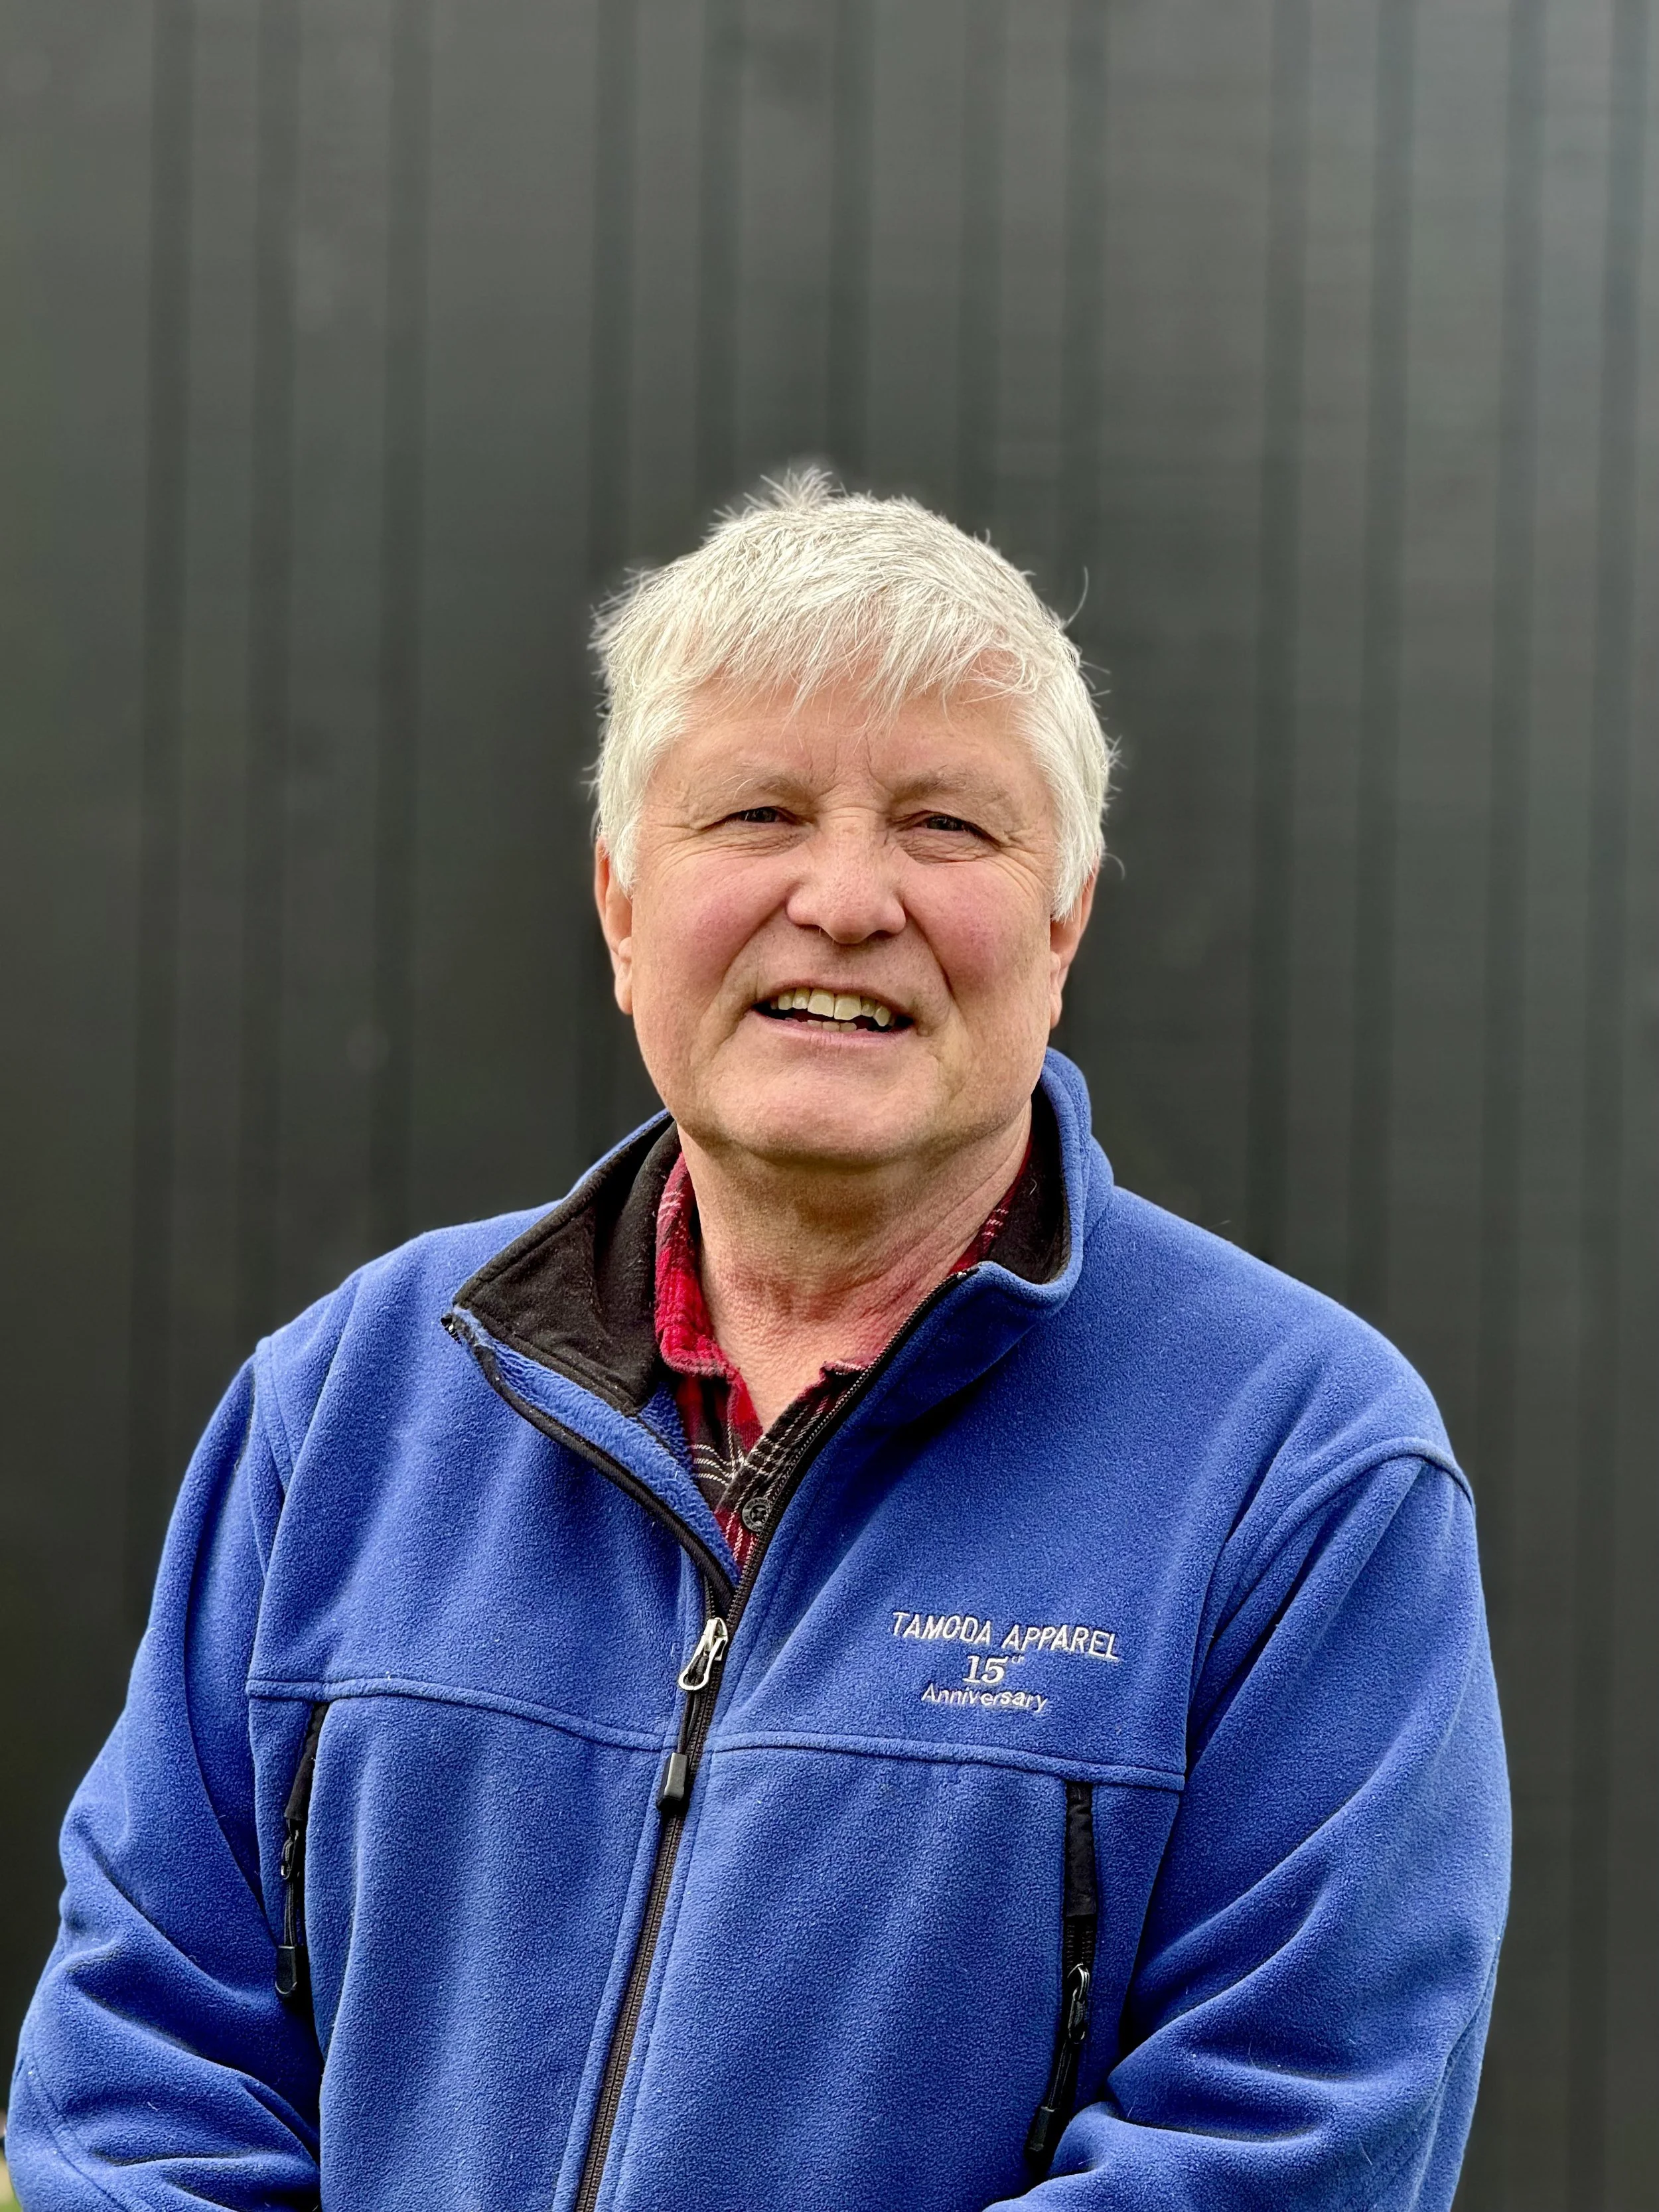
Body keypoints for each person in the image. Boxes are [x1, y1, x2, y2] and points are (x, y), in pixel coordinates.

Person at [7, 473, 1508, 2212]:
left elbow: (1281, 2144)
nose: (847, 896)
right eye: (757, 813)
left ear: (1062, 923)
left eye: (947, 825)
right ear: (622, 902)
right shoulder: (341, 1406)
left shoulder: (1300, 1467)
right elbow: (136, 2086)